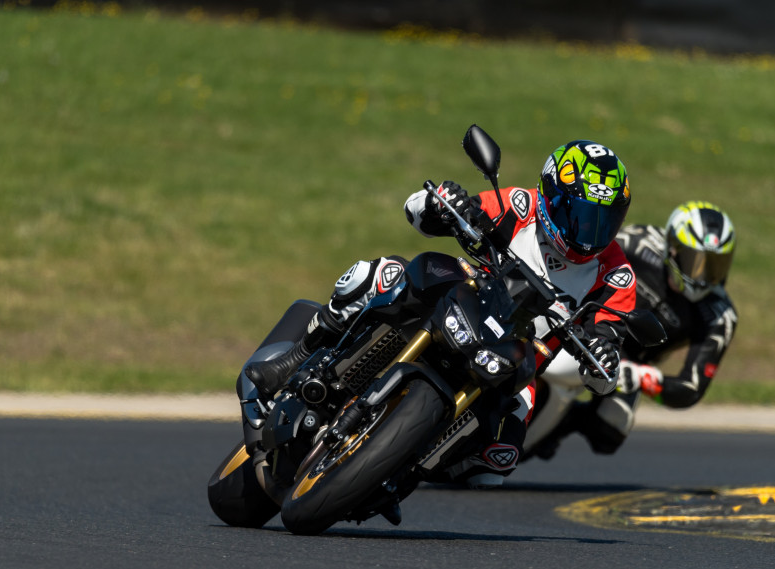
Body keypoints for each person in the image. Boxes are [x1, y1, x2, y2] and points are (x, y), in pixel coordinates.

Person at [247, 139, 638, 487]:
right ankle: (295, 358)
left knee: (496, 464)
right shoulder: (520, 206)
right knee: (381, 274)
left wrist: (604, 357)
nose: (589, 234)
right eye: (582, 217)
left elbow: (605, 360)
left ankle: (402, 468)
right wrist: (444, 204)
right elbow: (415, 211)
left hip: (517, 357)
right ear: (551, 196)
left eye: (605, 221)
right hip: (465, 295)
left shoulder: (616, 275)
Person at [525, 200, 738, 459]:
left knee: (611, 431)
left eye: (716, 265)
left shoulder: (719, 315)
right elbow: (591, 254)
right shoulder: (640, 242)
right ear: (673, 249)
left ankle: (560, 424)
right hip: (585, 324)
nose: (704, 276)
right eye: (697, 262)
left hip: (627, 365)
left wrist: (644, 379)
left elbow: (691, 389)